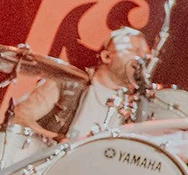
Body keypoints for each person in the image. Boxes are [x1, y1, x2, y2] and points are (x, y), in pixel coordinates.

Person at [11, 25, 150, 139]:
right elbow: (19, 118)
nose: (141, 59)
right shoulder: (68, 82)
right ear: (107, 56)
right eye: (135, 51)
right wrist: (58, 141)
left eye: (145, 55)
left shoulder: (134, 108)